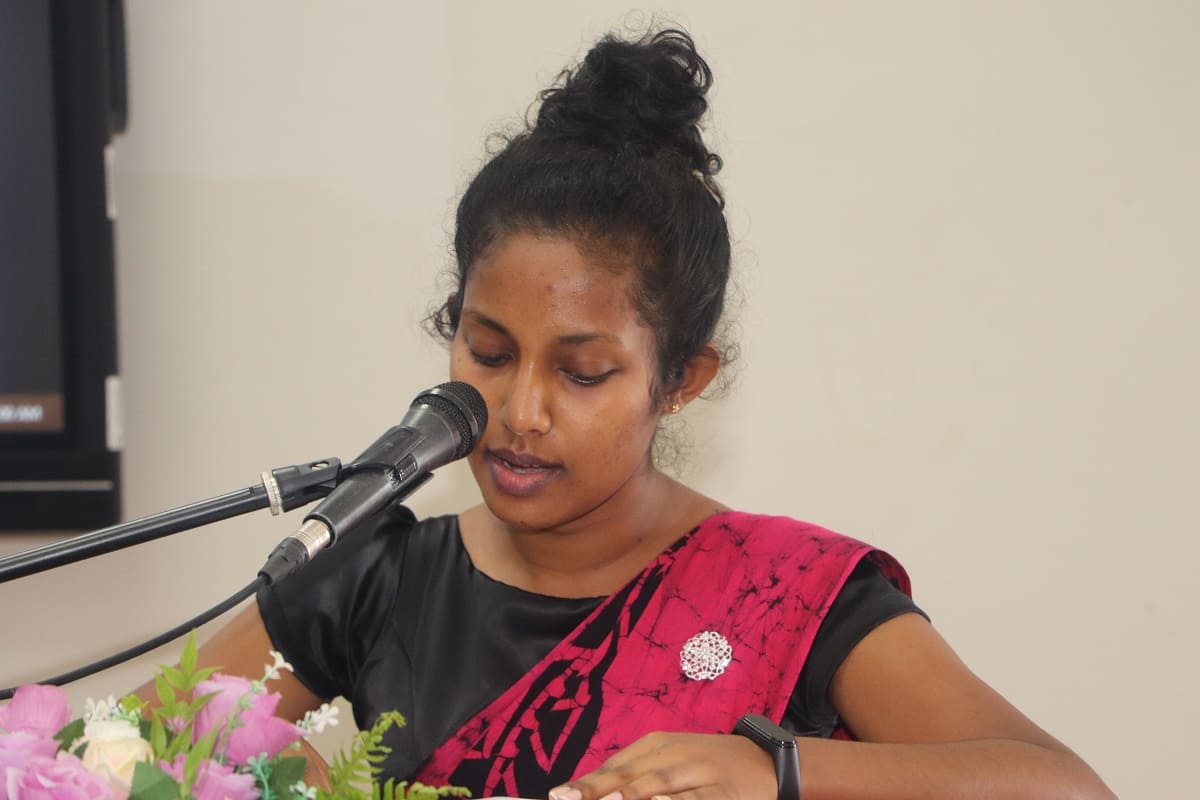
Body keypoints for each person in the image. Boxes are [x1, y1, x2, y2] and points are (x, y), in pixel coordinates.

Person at [192, 27, 1115, 800]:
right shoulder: (376, 572)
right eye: (490, 353)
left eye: (583, 372)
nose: (521, 411)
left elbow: (1066, 788)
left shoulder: (784, 592)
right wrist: (289, 777)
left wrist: (777, 769)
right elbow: (155, 733)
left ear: (681, 380)